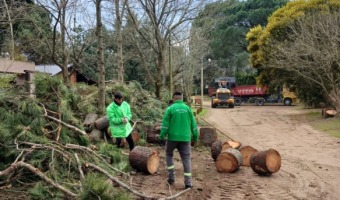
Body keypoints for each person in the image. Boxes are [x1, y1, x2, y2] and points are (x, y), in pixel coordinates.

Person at [159, 92, 199, 189]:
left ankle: (171, 178)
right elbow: (194, 124)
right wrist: (195, 137)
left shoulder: (170, 109)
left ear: (173, 99)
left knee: (169, 154)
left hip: (172, 138)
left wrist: (161, 136)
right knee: (186, 158)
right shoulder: (188, 109)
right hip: (185, 139)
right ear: (182, 99)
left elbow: (165, 125)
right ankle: (188, 183)